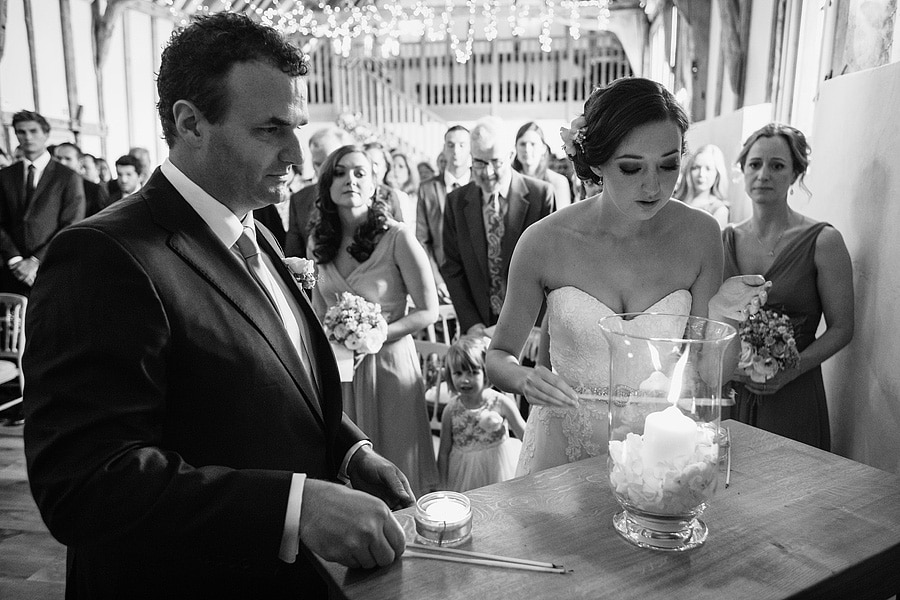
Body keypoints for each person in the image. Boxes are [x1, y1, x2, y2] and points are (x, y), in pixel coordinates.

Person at [23, 14, 412, 598]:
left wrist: (347, 450)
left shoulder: (253, 229)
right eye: (269, 130)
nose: (298, 156)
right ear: (189, 123)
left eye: (298, 127)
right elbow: (82, 482)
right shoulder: (104, 256)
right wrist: (294, 507)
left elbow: (272, 375)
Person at [484, 78, 769, 476]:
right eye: (631, 167)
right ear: (596, 161)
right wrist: (523, 378)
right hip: (561, 447)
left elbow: (711, 378)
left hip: (658, 452)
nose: (653, 186)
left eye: (668, 165)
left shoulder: (701, 235)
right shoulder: (543, 241)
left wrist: (725, 316)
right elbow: (497, 357)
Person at [309, 145, 440, 496]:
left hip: (391, 366)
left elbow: (429, 310)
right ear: (327, 184)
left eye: (359, 172)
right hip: (343, 371)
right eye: (339, 172)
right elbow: (318, 313)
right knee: (354, 463)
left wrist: (379, 334)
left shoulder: (398, 237)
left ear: (374, 183)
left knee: (398, 461)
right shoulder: (318, 243)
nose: (349, 180)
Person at [724, 123, 853, 451]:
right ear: (743, 170)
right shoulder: (724, 239)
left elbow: (842, 328)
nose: (763, 174)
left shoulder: (824, 241)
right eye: (755, 164)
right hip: (733, 391)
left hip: (793, 393)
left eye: (777, 165)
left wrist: (790, 370)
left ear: (795, 174)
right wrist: (728, 366)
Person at [440, 116, 555, 343]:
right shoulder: (456, 201)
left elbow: (551, 266)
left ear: (510, 156)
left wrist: (538, 326)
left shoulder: (540, 196)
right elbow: (453, 267)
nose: (487, 172)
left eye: (495, 161)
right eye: (480, 163)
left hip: (529, 329)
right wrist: (472, 324)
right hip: (478, 327)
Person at [0, 110, 85, 296]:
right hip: (12, 271)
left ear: (46, 134)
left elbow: (72, 224)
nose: (28, 137)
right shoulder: (5, 176)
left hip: (52, 266)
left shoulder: (67, 176)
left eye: (33, 131)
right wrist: (14, 260)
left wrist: (36, 261)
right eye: (21, 132)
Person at [437, 336, 525, 492]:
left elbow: (525, 435)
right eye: (458, 373)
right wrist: (442, 484)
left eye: (472, 373)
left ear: (485, 372)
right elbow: (444, 451)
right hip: (463, 471)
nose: (465, 380)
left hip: (498, 467)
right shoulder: (450, 410)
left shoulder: (500, 402)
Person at [417, 125, 472, 304]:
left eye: (462, 145)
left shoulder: (480, 185)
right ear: (444, 148)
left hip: (476, 279)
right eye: (451, 145)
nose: (456, 151)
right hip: (441, 278)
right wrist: (437, 280)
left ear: (470, 148)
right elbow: (422, 242)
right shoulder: (427, 189)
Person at [284, 126, 354, 257]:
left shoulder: (373, 196)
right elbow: (294, 259)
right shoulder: (299, 200)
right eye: (317, 164)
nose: (322, 170)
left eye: (329, 162)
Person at [512, 121, 573, 210]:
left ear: (543, 148)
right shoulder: (510, 180)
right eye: (522, 144)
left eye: (533, 144)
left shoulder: (558, 182)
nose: (527, 149)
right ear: (516, 147)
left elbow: (563, 218)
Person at [675, 144, 730, 228]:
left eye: (708, 169)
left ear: (717, 174)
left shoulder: (719, 210)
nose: (701, 174)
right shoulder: (676, 199)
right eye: (696, 167)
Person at [53, 142, 111, 217]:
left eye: (68, 159)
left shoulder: (95, 190)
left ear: (79, 162)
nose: (62, 162)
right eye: (58, 158)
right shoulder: (45, 186)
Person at [389, 151, 419, 223]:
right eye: (393, 166)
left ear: (409, 172)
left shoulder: (415, 200)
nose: (396, 170)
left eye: (401, 166)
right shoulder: (386, 196)